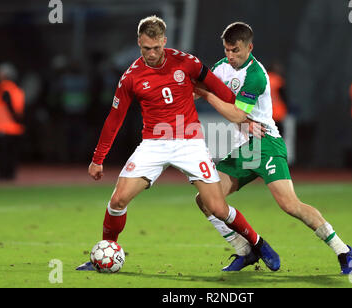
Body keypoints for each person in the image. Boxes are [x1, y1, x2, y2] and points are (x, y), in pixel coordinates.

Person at [76, 16, 280, 271]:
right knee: (117, 200)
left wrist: (245, 119)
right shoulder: (131, 77)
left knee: (217, 207)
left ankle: (258, 244)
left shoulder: (188, 62)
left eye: (156, 48)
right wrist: (98, 158)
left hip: (189, 143)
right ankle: (105, 253)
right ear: (139, 42)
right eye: (145, 48)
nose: (151, 54)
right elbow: (114, 120)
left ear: (164, 41)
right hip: (153, 144)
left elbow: (222, 92)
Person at [194, 22, 352, 274]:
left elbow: (238, 115)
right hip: (243, 149)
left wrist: (205, 95)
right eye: (227, 50)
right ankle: (245, 250)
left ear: (249, 47)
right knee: (205, 200)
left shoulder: (257, 75)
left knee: (290, 205)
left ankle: (344, 250)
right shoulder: (222, 67)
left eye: (235, 50)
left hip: (265, 144)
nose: (230, 56)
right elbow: (199, 88)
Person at [0, 63, 25, 181]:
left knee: (2, 154)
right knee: (11, 154)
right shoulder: (16, 89)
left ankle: (3, 175)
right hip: (14, 127)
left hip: (4, 127)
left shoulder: (4, 88)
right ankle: (9, 175)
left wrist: (13, 118)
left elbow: (9, 106)